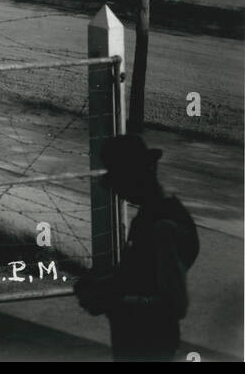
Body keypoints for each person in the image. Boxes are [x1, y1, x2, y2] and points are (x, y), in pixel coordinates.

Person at [74, 134, 199, 362]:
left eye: (121, 183)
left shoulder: (162, 226)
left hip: (148, 340)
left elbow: (174, 303)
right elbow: (142, 274)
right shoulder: (150, 215)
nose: (117, 192)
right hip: (136, 335)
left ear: (137, 178)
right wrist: (105, 285)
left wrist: (112, 299)